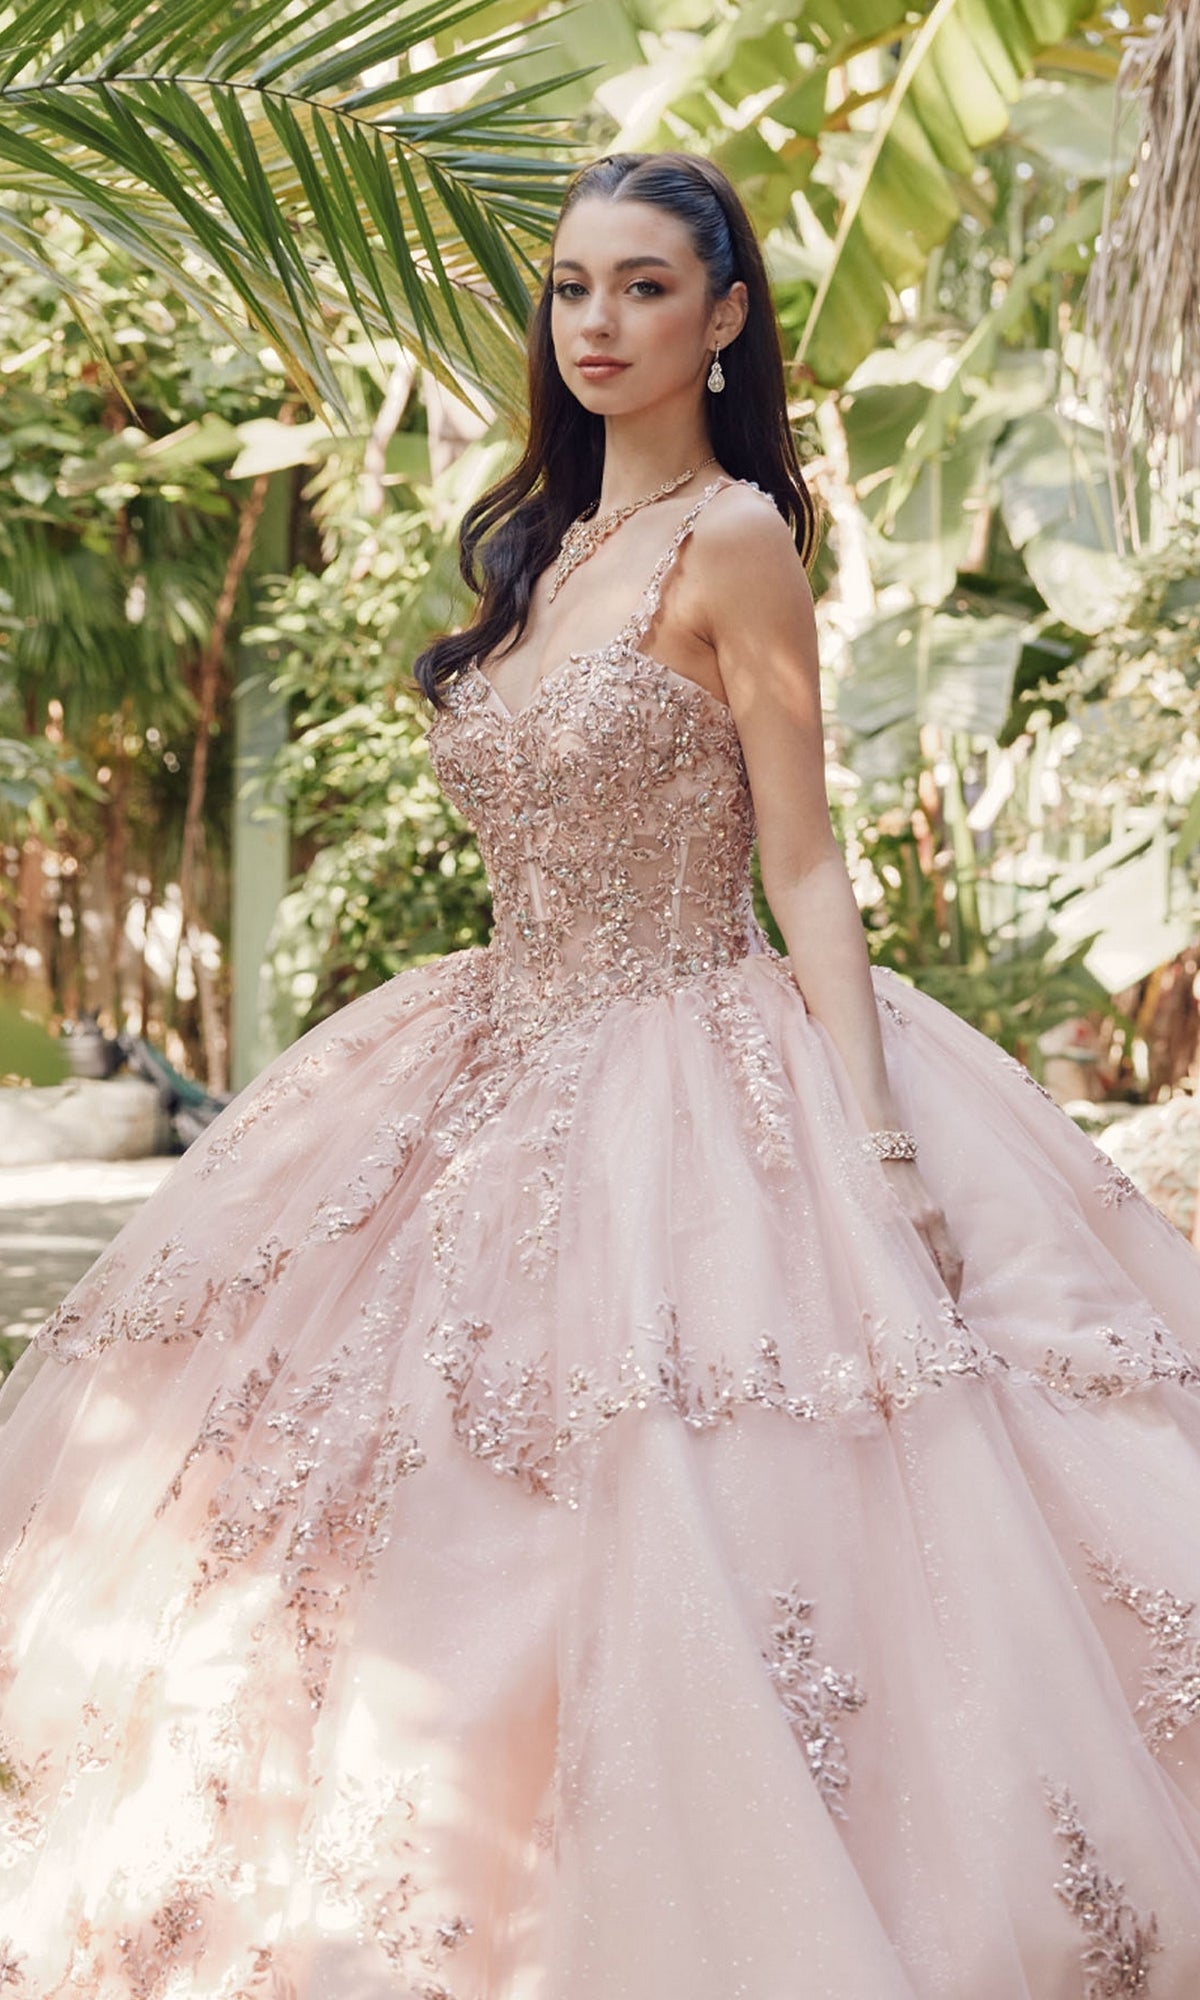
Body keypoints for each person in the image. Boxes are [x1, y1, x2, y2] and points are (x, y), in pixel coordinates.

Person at [1, 147, 1199, 2000]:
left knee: (698, 1464)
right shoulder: (537, 549)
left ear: (725, 321)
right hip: (482, 1048)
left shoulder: (739, 539)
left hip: (695, 1058)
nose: (598, 323)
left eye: (646, 288)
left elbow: (802, 858)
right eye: (573, 287)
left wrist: (879, 1140)